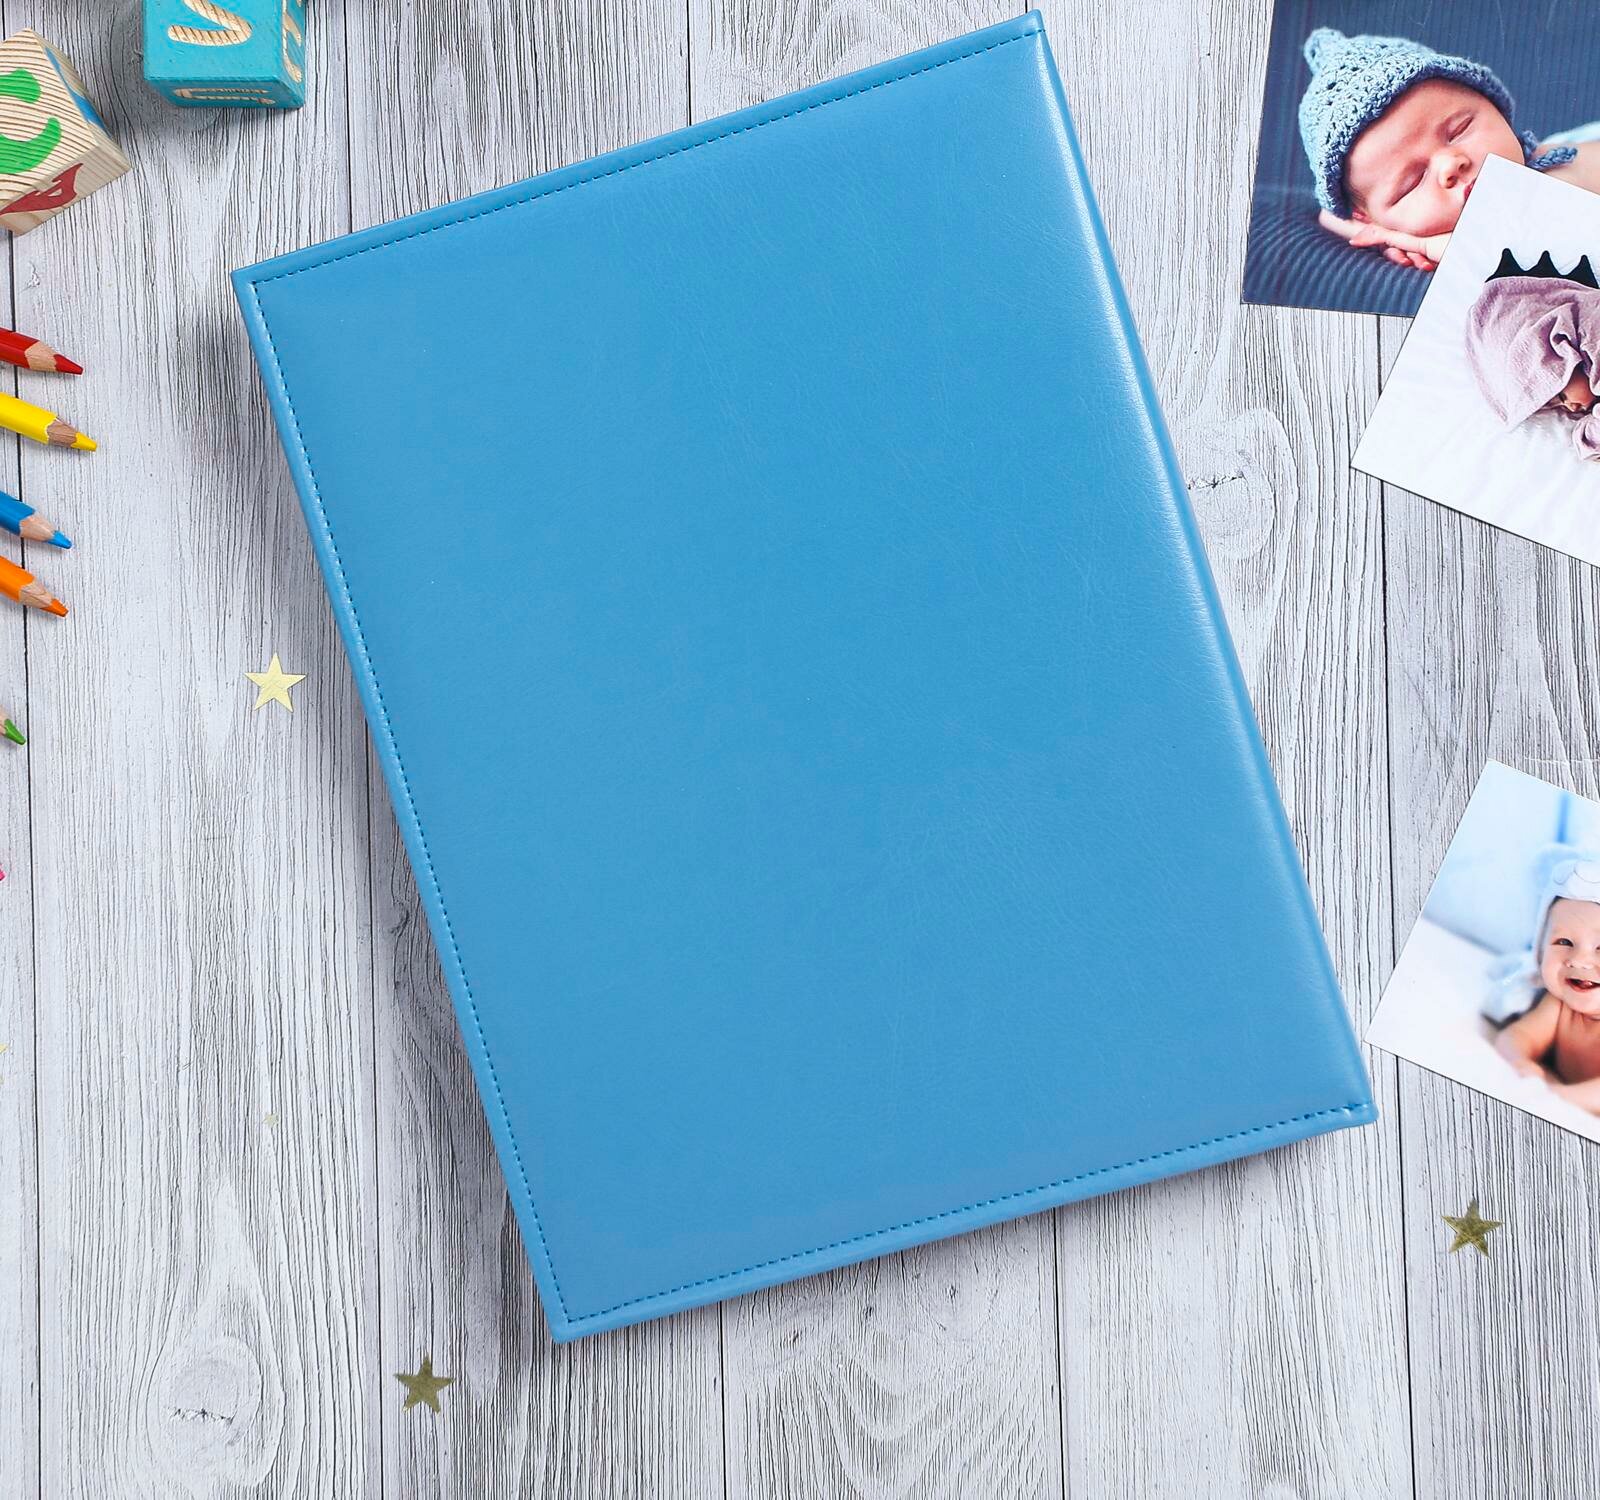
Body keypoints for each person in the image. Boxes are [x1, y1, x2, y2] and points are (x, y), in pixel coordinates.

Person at [1299, 28, 1600, 272]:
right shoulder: (1369, 216)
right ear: (1370, 218)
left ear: (1496, 109)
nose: (1450, 164)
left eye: (1460, 130)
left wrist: (1424, 243)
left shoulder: (1564, 173)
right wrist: (1385, 235)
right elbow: (1332, 215)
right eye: (1412, 182)